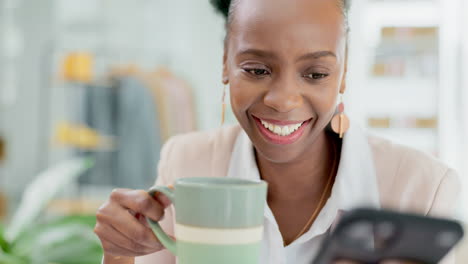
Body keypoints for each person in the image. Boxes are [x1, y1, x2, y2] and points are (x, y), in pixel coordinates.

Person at [93, 0, 461, 263]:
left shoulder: (423, 186)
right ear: (225, 62)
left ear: (344, 73)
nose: (283, 100)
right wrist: (120, 252)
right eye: (255, 69)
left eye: (315, 74)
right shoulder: (187, 160)